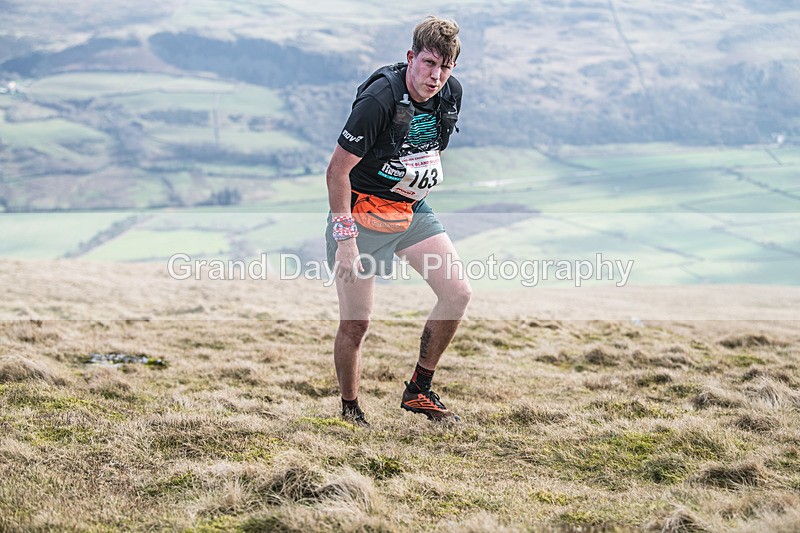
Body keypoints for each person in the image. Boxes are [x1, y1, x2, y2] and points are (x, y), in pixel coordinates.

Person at [325, 16, 471, 426]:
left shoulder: (450, 94)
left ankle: (419, 390)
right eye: (428, 63)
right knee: (356, 324)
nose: (435, 76)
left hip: (410, 209)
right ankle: (350, 409)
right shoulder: (379, 100)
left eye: (445, 67)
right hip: (361, 213)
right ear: (411, 57)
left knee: (457, 293)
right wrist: (346, 241)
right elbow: (336, 172)